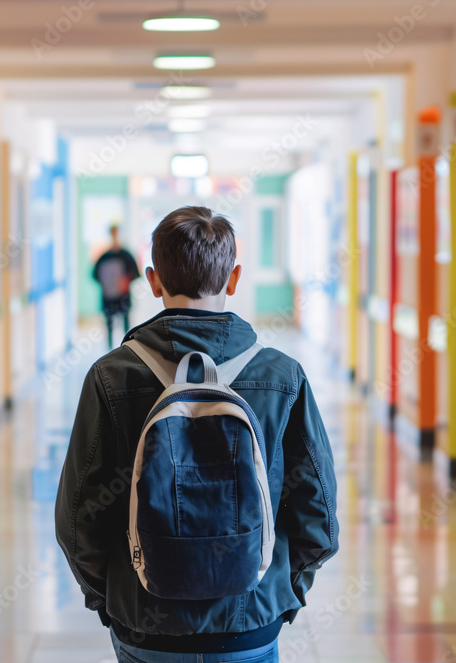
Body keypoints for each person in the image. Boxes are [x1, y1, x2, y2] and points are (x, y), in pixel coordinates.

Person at [56, 206, 338, 662]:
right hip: (250, 624)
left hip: (146, 630)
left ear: (151, 280)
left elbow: (76, 519)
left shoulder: (111, 376)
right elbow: (319, 514)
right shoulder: (282, 375)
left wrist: (115, 599)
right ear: (234, 278)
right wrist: (280, 590)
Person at [93, 225, 141, 347]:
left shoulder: (126, 255)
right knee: (109, 325)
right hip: (108, 298)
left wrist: (126, 280)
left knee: (126, 325)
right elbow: (95, 275)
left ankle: (127, 347)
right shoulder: (104, 257)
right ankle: (109, 350)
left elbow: (136, 273)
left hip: (123, 297)